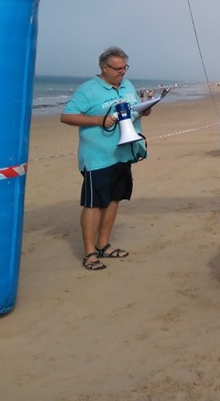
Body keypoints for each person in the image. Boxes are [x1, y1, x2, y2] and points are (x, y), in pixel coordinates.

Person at [60, 46, 151, 271]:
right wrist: (99, 121)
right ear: (104, 68)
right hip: (97, 157)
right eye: (118, 69)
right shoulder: (88, 90)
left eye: (125, 68)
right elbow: (66, 116)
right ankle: (90, 253)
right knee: (94, 204)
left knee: (114, 200)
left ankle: (103, 245)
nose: (122, 72)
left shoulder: (127, 86)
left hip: (124, 153)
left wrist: (147, 107)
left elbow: (136, 111)